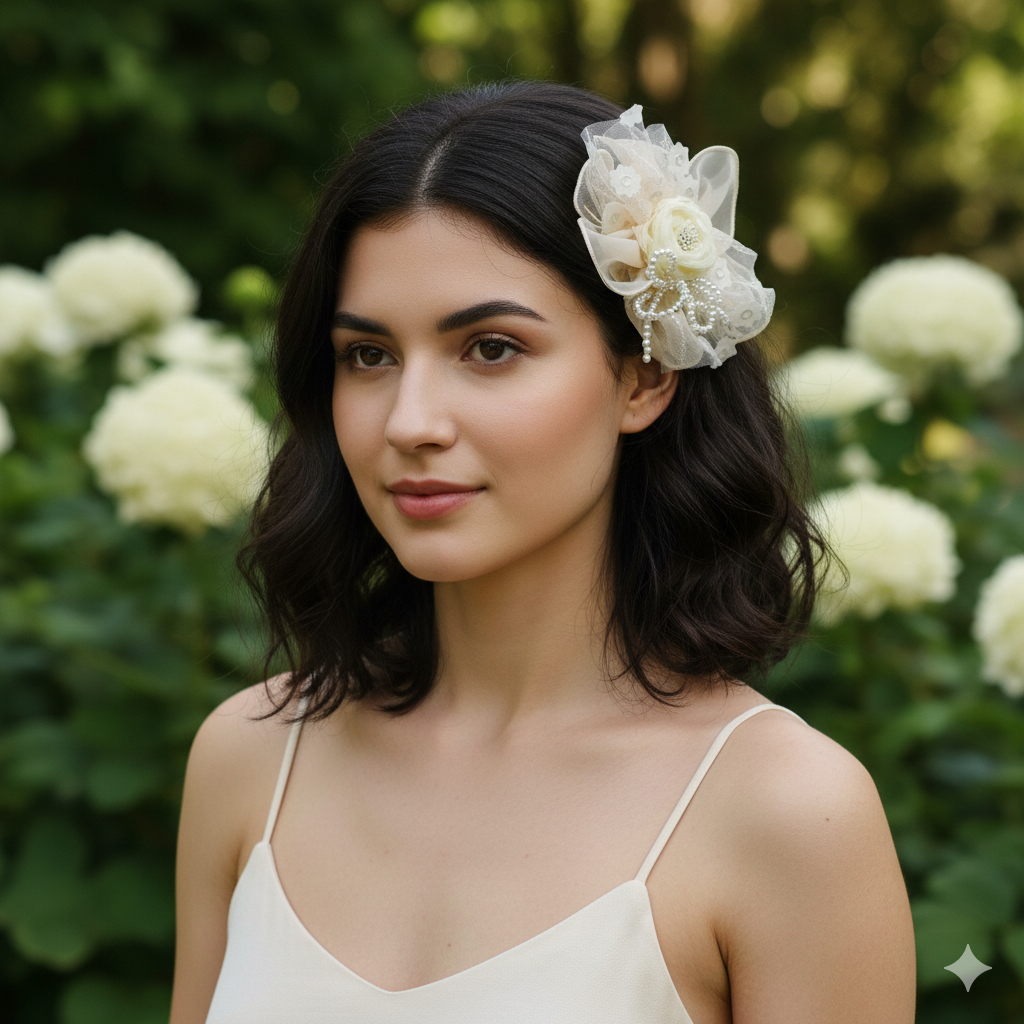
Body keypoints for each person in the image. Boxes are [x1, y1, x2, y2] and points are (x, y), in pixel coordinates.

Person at [170, 81, 917, 1024]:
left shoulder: (784, 812)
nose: (410, 422)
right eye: (369, 355)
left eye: (489, 348)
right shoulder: (251, 759)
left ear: (643, 375)